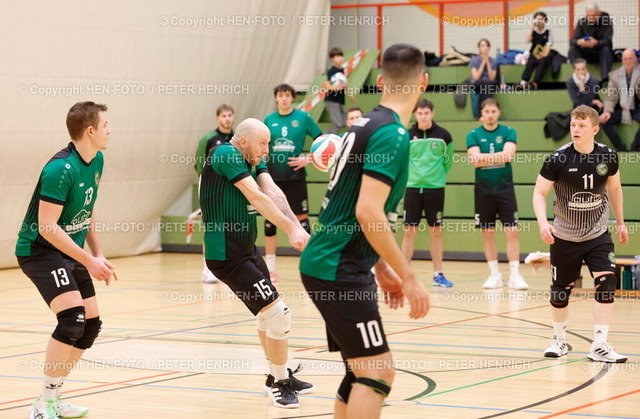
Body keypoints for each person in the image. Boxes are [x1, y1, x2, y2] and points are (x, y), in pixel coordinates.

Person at [300, 43, 430, 419]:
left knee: (359, 370)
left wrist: (381, 267)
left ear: (380, 81)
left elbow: (352, 209)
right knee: (378, 372)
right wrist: (408, 277)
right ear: (423, 82)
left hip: (335, 262)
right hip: (337, 269)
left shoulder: (362, 125)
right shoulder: (392, 135)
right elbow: (368, 212)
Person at [200, 118, 313, 408]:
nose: (267, 149)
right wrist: (290, 230)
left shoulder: (252, 158)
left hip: (246, 250)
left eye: (268, 143)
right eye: (263, 143)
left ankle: (276, 374)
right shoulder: (225, 154)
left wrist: (298, 226)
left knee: (267, 314)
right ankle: (280, 383)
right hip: (226, 255)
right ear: (243, 141)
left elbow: (273, 192)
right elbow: (256, 196)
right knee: (279, 314)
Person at [16, 102, 117, 419]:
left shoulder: (97, 160)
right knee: (72, 318)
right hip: (39, 250)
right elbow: (47, 226)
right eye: (106, 125)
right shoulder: (60, 169)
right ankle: (44, 402)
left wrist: (97, 254)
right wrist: (88, 260)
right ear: (90, 130)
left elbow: (87, 209)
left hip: (69, 249)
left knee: (90, 325)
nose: (110, 130)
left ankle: (53, 396)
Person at [533, 105, 628, 363]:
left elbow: (615, 189)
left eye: (582, 126)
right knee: (560, 292)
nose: (575, 129)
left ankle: (600, 345)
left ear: (595, 130)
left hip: (597, 234)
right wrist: (543, 223)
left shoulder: (608, 156)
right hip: (564, 235)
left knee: (606, 284)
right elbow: (539, 193)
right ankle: (559, 340)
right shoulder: (558, 158)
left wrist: (620, 222)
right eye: (573, 125)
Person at [466, 98, 528, 290]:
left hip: (505, 189)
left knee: (512, 231)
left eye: (493, 111)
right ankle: (494, 274)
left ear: (499, 112)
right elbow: (474, 161)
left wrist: (483, 158)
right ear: (482, 113)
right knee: (488, 232)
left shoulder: (509, 132)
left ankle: (515, 275)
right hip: (483, 190)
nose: (490, 115)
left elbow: (508, 156)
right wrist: (497, 157)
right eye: (487, 111)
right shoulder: (473, 134)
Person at [263, 84, 322, 281]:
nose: (284, 98)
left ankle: (310, 265)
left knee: (302, 221)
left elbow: (322, 141)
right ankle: (270, 268)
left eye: (287, 95)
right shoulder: (269, 120)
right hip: (272, 179)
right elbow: (261, 145)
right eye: (281, 95)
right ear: (276, 98)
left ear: (292, 98)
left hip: (296, 177)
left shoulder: (303, 118)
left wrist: (309, 158)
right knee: (270, 221)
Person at [401, 99, 454, 287]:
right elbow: (402, 160)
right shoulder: (407, 136)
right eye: (420, 113)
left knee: (436, 231)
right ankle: (404, 274)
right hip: (412, 188)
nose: (423, 116)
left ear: (432, 113)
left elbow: (448, 161)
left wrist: (436, 176)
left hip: (435, 189)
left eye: (426, 113)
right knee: (409, 231)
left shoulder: (444, 136)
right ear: (415, 114)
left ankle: (438, 274)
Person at [194, 104, 235, 283]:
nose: (227, 119)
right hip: (212, 190)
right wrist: (209, 184)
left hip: (233, 190)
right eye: (224, 116)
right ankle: (207, 269)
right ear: (218, 118)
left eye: (230, 115)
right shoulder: (208, 138)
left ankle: (232, 267)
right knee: (212, 228)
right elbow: (199, 164)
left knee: (233, 228)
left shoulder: (237, 138)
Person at [599, 49, 640, 152]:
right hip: (622, 109)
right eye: (625, 59)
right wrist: (607, 111)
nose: (628, 61)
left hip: (637, 108)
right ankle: (620, 146)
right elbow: (610, 97)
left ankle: (635, 146)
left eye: (630, 58)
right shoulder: (615, 75)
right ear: (622, 60)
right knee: (604, 121)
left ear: (635, 59)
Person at [568, 4, 613, 83]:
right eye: (589, 16)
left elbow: (608, 41)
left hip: (600, 53)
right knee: (572, 50)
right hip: (586, 53)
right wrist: (579, 42)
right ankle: (581, 76)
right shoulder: (582, 22)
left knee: (606, 50)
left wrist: (596, 43)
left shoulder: (607, 22)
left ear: (599, 14)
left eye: (594, 16)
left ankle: (605, 80)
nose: (591, 18)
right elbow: (573, 41)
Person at [520, 11, 552, 89]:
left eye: (541, 19)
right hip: (534, 54)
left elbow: (548, 45)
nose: (539, 21)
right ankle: (524, 82)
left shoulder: (548, 31)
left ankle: (535, 83)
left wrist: (543, 55)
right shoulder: (533, 31)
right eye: (537, 19)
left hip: (544, 55)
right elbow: (527, 41)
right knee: (531, 61)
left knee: (542, 62)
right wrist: (532, 27)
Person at [323, 47, 352, 134]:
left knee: (344, 121)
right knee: (338, 123)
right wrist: (335, 87)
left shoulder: (342, 70)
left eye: (341, 56)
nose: (340, 58)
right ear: (332, 59)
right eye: (337, 56)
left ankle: (326, 137)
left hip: (339, 100)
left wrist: (350, 94)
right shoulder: (332, 71)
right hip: (332, 100)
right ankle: (324, 138)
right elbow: (327, 84)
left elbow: (345, 84)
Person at [469, 39, 499, 119]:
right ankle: (486, 112)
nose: (485, 48)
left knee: (487, 84)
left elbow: (492, 78)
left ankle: (484, 113)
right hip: (477, 84)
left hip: (489, 84)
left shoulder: (493, 61)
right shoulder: (474, 60)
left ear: (489, 48)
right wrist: (483, 63)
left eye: (487, 46)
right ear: (479, 48)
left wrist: (488, 63)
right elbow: (476, 77)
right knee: (485, 83)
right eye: (482, 46)